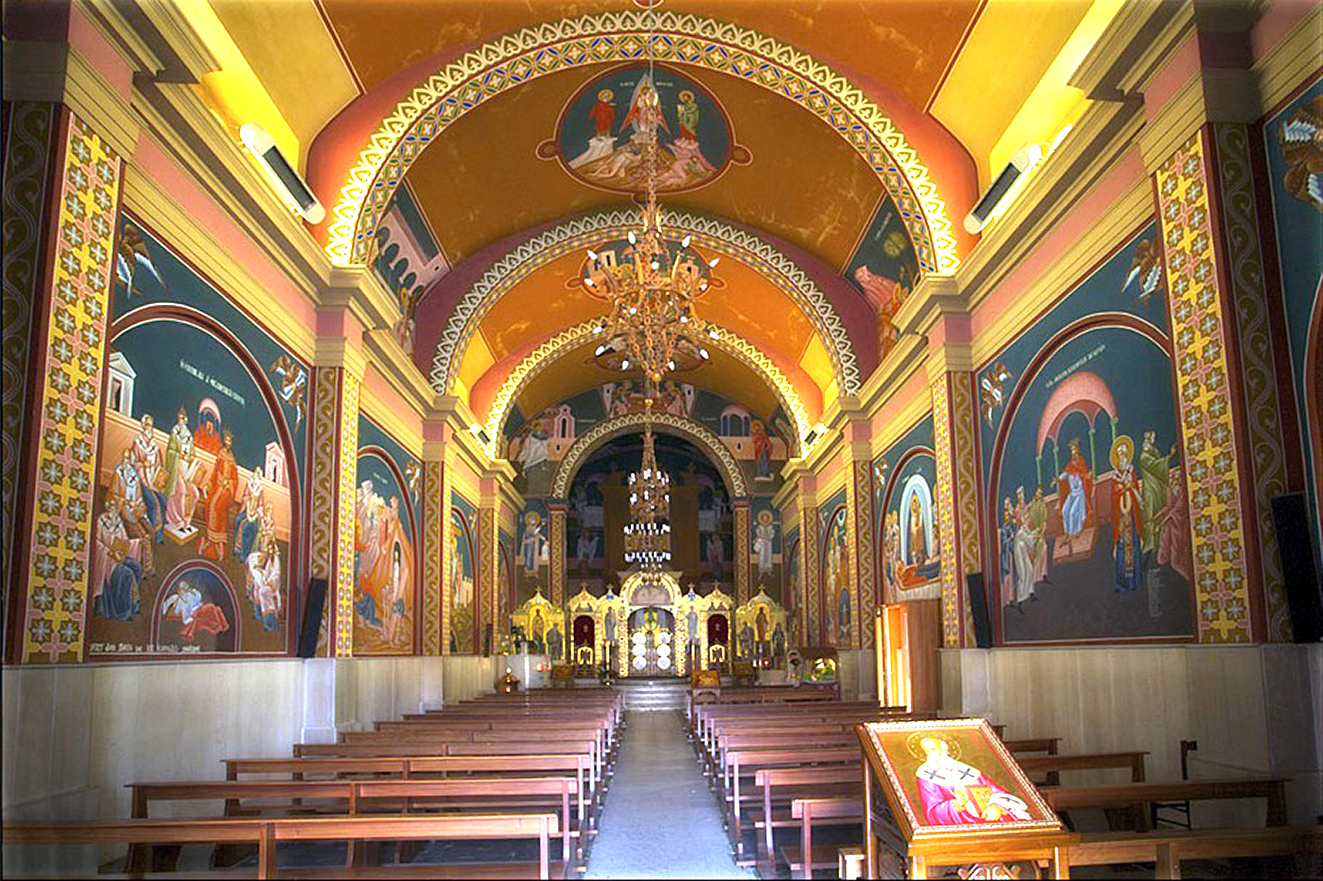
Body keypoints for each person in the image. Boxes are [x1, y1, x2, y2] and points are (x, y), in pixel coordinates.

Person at [914, 735, 1031, 826]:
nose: (932, 754)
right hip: (959, 823)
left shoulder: (966, 770)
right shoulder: (926, 775)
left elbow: (996, 792)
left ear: (943, 748)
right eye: (927, 751)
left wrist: (996, 807)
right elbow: (931, 808)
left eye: (934, 749)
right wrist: (954, 806)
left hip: (988, 818)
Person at [91, 488, 142, 621]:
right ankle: (122, 611)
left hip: (119, 555)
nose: (114, 508)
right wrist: (110, 553)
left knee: (136, 566)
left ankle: (133, 603)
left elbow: (123, 539)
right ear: (107, 506)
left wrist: (137, 542)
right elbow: (95, 543)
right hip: (106, 559)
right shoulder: (100, 521)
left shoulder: (118, 521)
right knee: (126, 574)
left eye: (116, 504)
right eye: (111, 504)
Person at [199, 429, 239, 560]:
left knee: (219, 507)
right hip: (217, 486)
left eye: (229, 441)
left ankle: (219, 539)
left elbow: (235, 479)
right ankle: (211, 539)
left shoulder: (232, 459)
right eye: (226, 440)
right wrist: (209, 484)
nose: (227, 443)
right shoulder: (221, 454)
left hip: (227, 489)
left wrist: (229, 483)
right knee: (210, 503)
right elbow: (215, 472)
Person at [1111, 436, 1143, 592]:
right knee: (1122, 546)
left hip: (1131, 512)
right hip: (1121, 515)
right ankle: (1122, 583)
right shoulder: (1115, 475)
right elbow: (1114, 495)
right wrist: (1123, 487)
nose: (1122, 456)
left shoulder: (1131, 470)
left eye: (1124, 453)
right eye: (1120, 454)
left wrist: (1130, 487)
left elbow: (1135, 486)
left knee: (1133, 544)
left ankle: (1135, 581)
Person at [130, 413, 167, 541]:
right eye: (146, 425)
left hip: (153, 480)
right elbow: (133, 462)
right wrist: (142, 465)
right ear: (142, 426)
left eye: (150, 426)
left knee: (163, 501)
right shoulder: (137, 443)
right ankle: (152, 533)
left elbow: (160, 465)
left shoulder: (154, 446)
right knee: (152, 503)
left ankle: (160, 533)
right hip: (141, 480)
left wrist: (158, 478)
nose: (149, 429)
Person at [164, 407, 201, 534]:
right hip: (176, 470)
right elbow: (170, 451)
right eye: (180, 418)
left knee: (195, 494)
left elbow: (192, 454)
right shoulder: (174, 433)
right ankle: (177, 521)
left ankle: (187, 521)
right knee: (181, 491)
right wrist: (178, 456)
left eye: (183, 418)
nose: (182, 421)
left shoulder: (189, 436)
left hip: (187, 471)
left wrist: (190, 459)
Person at [1056, 438, 1092, 551]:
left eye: (1074, 450)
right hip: (1072, 494)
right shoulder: (1070, 465)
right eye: (1071, 450)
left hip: (1080, 494)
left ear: (1077, 450)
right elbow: (1066, 474)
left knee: (1072, 513)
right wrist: (1057, 480)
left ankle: (1073, 533)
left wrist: (1087, 476)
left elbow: (1084, 474)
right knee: (1065, 510)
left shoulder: (1081, 462)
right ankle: (1067, 533)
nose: (1073, 452)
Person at [232, 468, 264, 560]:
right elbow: (244, 497)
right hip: (246, 511)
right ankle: (237, 548)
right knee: (238, 520)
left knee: (248, 527)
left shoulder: (260, 490)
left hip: (254, 515)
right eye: (256, 473)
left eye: (258, 474)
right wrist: (247, 500)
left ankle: (244, 553)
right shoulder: (249, 485)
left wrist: (259, 512)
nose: (256, 475)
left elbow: (261, 504)